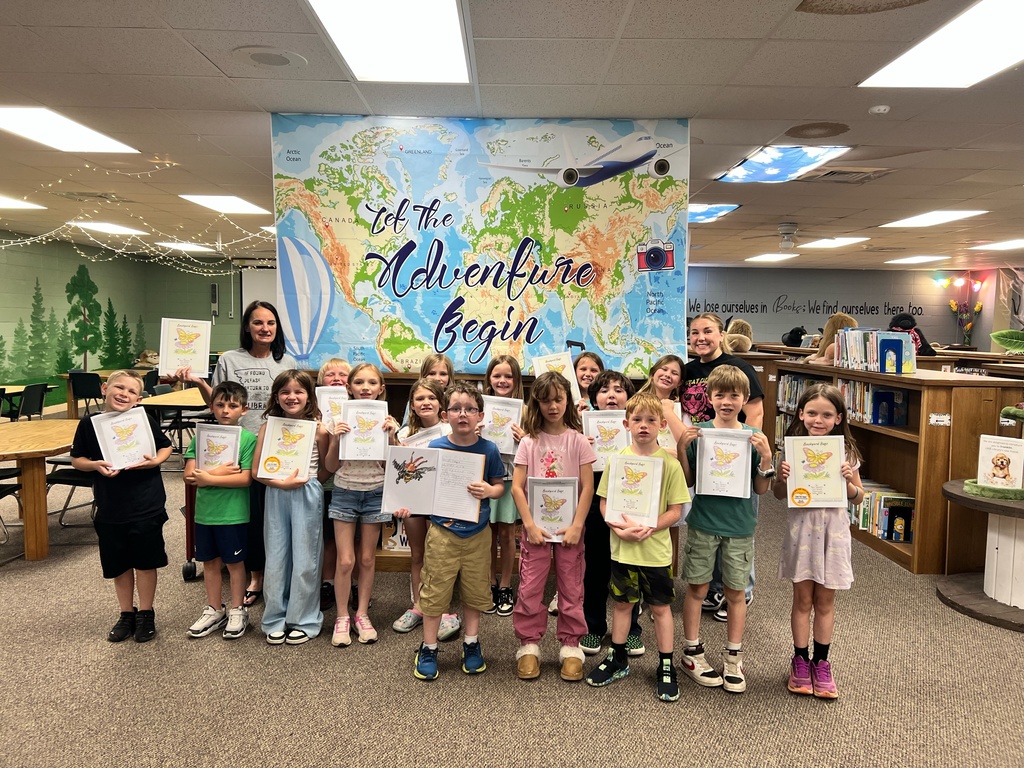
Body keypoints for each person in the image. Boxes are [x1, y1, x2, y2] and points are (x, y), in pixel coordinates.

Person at [175, 299, 297, 608]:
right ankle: (256, 576)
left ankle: (277, 573)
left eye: (270, 323)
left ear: (277, 328)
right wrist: (198, 382)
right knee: (251, 518)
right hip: (239, 446)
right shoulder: (230, 359)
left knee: (274, 516)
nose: (264, 328)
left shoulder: (286, 362)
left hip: (275, 448)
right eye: (258, 322)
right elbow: (218, 399)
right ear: (247, 327)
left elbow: (294, 401)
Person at [585, 392, 689, 702]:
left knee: (659, 608)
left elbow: (676, 510)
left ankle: (665, 663)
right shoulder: (617, 460)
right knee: (621, 603)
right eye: (638, 420)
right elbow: (604, 504)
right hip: (622, 548)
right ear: (626, 423)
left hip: (655, 551)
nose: (644, 426)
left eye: (651, 420)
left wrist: (650, 526)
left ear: (661, 425)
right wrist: (618, 527)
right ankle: (617, 658)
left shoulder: (669, 464)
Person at [678, 365, 773, 694]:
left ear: (746, 398)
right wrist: (681, 449)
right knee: (697, 589)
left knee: (735, 593)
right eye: (720, 394)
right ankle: (691, 652)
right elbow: (689, 481)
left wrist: (766, 458)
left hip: (739, 527)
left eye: (735, 395)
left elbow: (760, 489)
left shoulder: (752, 437)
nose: (727, 401)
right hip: (703, 524)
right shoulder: (700, 434)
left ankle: (733, 656)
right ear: (709, 397)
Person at [411, 382, 506, 680]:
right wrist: (406, 503)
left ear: (480, 415)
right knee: (435, 589)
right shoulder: (436, 447)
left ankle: (471, 643)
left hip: (478, 534)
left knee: (475, 590)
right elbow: (421, 488)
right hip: (443, 533)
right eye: (455, 409)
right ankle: (428, 647)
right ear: (444, 414)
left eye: (470, 409)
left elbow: (500, 486)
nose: (463, 414)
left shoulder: (489, 449)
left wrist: (490, 489)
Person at [70, 370, 173, 643]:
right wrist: (95, 465)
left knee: (146, 562)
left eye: (130, 392)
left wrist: (155, 461)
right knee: (119, 564)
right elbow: (77, 459)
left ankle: (146, 612)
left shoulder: (143, 420)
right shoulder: (90, 423)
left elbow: (166, 447)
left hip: (146, 503)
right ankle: (126, 612)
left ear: (138, 399)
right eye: (119, 387)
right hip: (111, 506)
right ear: (105, 388)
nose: (123, 394)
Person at [773, 383, 862, 699]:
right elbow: (779, 495)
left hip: (833, 537)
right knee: (802, 600)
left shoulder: (846, 453)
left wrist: (848, 481)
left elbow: (859, 497)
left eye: (826, 414)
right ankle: (800, 659)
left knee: (825, 602)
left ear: (839, 418)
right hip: (802, 536)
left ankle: (821, 663)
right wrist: (781, 478)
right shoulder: (792, 450)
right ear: (800, 414)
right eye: (811, 413)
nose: (818, 420)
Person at [511, 371, 596, 682]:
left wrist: (577, 525)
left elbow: (587, 487)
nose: (552, 406)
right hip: (537, 529)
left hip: (569, 529)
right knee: (530, 586)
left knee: (571, 585)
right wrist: (529, 525)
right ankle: (529, 643)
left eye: (558, 399)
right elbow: (517, 487)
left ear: (567, 401)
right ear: (537, 403)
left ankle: (571, 644)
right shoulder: (529, 443)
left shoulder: (578, 441)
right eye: (545, 400)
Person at [682, 312, 764, 621]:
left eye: (708, 331)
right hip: (706, 458)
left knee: (739, 523)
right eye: (695, 332)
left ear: (720, 335)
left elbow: (755, 413)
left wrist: (747, 449)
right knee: (709, 523)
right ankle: (716, 586)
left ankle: (742, 588)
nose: (701, 337)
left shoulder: (738, 367)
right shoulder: (688, 370)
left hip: (737, 460)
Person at [323, 362, 400, 647]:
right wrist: (336, 439)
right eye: (359, 382)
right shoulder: (337, 421)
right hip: (345, 491)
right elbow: (331, 467)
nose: (365, 388)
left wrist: (391, 437)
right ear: (349, 387)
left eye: (371, 383)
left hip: (376, 493)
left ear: (381, 388)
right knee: (346, 560)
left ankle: (362, 614)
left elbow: (393, 467)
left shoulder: (389, 421)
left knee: (367, 559)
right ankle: (342, 616)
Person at [251, 370, 331, 645]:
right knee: (275, 555)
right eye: (285, 392)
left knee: (306, 556)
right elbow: (256, 471)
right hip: (275, 491)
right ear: (276, 396)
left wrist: (307, 483)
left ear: (310, 397)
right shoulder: (268, 427)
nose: (292, 397)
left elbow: (325, 469)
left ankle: (304, 618)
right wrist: (281, 483)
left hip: (307, 493)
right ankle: (275, 617)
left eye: (299, 391)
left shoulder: (319, 429)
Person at [182, 381, 256, 639]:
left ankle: (237, 609)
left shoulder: (248, 440)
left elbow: (245, 479)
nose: (226, 410)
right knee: (209, 563)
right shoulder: (201, 437)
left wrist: (209, 478)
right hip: (204, 513)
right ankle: (215, 608)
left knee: (235, 563)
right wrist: (219, 472)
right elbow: (189, 476)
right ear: (211, 406)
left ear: (243, 410)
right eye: (220, 405)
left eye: (233, 406)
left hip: (233, 514)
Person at [579, 370, 644, 658]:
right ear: (594, 398)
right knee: (594, 569)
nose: (612, 395)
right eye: (604, 391)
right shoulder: (584, 429)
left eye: (619, 390)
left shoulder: (637, 427)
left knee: (630, 569)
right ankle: (593, 626)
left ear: (628, 398)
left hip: (630, 505)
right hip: (594, 503)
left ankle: (632, 629)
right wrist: (584, 446)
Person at [392, 378, 454, 635]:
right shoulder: (404, 435)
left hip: (441, 501)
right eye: (419, 399)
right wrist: (392, 441)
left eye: (431, 398)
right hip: (414, 502)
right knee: (418, 554)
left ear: (441, 403)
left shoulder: (450, 430)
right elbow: (395, 469)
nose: (425, 402)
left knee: (440, 557)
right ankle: (418, 605)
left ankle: (445, 610)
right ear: (412, 406)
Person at [483, 354, 525, 617]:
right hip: (485, 479)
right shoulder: (480, 408)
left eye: (508, 376)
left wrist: (526, 438)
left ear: (516, 379)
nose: (502, 380)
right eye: (497, 375)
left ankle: (506, 585)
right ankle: (488, 583)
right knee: (486, 534)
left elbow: (535, 446)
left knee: (508, 535)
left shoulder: (526, 410)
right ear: (489, 378)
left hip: (511, 480)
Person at [316, 358, 350, 612]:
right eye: (331, 374)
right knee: (328, 538)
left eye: (343, 374)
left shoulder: (359, 409)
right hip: (322, 484)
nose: (337, 378)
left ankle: (354, 584)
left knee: (353, 542)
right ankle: (328, 582)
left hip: (347, 483)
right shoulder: (314, 412)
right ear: (321, 381)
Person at [636, 354, 687, 458]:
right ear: (653, 372)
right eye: (664, 369)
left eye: (674, 373)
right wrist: (659, 452)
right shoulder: (635, 404)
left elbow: (687, 443)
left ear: (679, 382)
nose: (667, 375)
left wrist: (668, 412)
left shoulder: (681, 409)